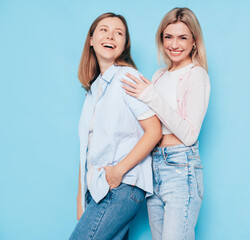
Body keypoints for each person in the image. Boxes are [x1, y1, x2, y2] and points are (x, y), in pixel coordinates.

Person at [70, 12, 162, 240]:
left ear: (124, 45)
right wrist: (81, 198)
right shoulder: (93, 89)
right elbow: (87, 149)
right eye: (104, 30)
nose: (111, 36)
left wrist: (118, 171)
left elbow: (154, 131)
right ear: (91, 39)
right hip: (99, 190)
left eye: (118, 33)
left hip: (120, 186)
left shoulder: (127, 77)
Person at [122, 7, 210, 240]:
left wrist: (151, 95)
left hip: (181, 166)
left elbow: (189, 134)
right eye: (168, 37)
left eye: (183, 37)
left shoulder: (196, 74)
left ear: (194, 42)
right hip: (154, 166)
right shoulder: (158, 75)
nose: (174, 44)